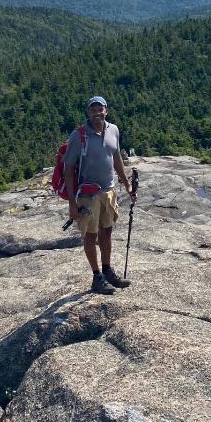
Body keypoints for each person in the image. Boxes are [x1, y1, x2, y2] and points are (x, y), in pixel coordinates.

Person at [63, 96, 134, 294]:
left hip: (108, 191)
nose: (97, 113)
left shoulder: (113, 130)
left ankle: (107, 270)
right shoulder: (79, 135)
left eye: (100, 109)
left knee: (107, 231)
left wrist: (126, 183)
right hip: (88, 195)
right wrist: (71, 203)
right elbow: (68, 169)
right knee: (90, 235)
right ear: (88, 113)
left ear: (106, 111)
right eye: (92, 109)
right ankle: (97, 277)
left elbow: (116, 156)